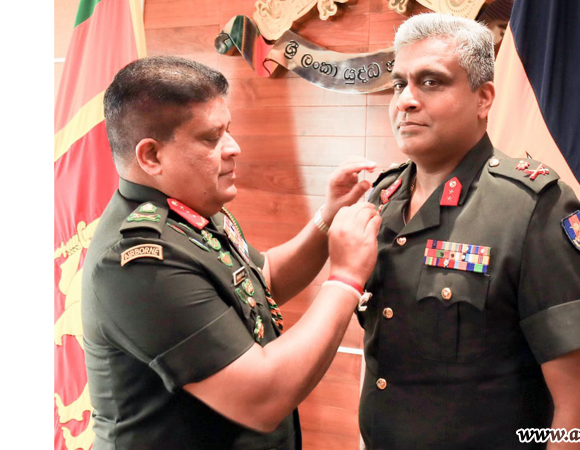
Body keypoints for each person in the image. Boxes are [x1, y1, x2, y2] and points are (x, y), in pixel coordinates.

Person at [81, 55, 381, 450]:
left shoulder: (191, 210)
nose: (233, 148)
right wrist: (344, 280)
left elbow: (262, 280)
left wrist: (328, 219)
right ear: (151, 156)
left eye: (228, 131)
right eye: (210, 138)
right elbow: (263, 397)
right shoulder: (137, 262)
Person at [358, 13, 580, 449]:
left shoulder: (534, 208)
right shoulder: (382, 199)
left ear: (483, 98)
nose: (406, 100)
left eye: (432, 82)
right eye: (399, 84)